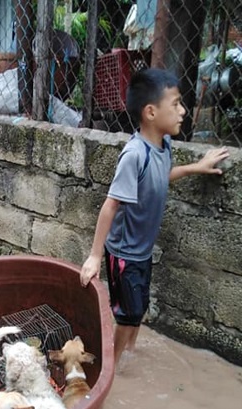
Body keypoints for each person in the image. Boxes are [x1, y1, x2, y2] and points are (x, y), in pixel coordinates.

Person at [79, 68, 228, 365]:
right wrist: (95, 256)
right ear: (150, 112)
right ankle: (113, 367)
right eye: (175, 104)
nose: (183, 111)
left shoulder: (164, 145)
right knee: (127, 313)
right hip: (123, 253)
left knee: (139, 307)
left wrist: (195, 167)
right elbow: (110, 205)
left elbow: (160, 178)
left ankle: (129, 353)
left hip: (142, 251)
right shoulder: (134, 155)